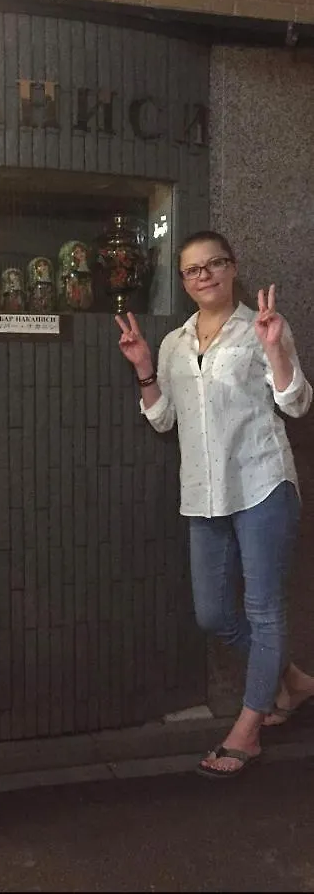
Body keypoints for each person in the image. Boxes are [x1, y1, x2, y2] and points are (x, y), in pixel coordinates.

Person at [115, 230, 314, 779]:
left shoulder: (262, 327)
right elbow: (163, 419)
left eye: (214, 264)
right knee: (214, 613)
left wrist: (275, 349)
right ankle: (293, 681)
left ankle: (248, 730)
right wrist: (143, 366)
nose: (203, 276)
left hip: (262, 484)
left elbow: (297, 403)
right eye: (192, 270)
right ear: (183, 281)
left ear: (232, 267)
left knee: (264, 610)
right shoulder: (174, 343)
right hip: (204, 494)